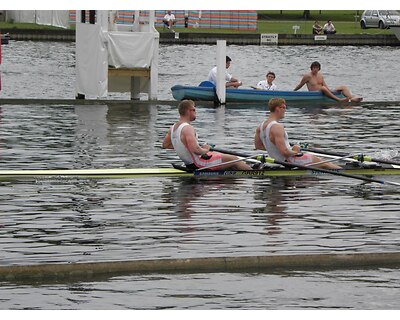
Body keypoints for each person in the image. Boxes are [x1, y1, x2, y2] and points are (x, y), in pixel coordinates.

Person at [163, 99, 252, 171]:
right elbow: (196, 150)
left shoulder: (173, 128)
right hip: (199, 164)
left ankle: (240, 169)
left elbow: (165, 145)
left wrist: (187, 147)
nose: (195, 112)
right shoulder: (188, 128)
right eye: (194, 110)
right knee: (234, 159)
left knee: (222, 157)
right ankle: (256, 173)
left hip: (189, 163)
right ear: (190, 111)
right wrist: (205, 149)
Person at [254, 98, 341, 170]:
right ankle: (344, 172)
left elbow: (258, 146)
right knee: (323, 162)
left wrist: (278, 149)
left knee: (319, 163)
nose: (285, 110)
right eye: (284, 107)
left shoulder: (260, 127)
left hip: (278, 161)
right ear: (277, 108)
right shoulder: (277, 127)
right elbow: (284, 152)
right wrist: (295, 151)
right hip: (289, 161)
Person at [294, 61, 363, 102]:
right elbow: (300, 84)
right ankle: (339, 100)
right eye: (314, 68)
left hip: (324, 91)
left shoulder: (320, 75)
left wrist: (330, 90)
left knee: (343, 87)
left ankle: (351, 98)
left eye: (317, 68)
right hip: (315, 93)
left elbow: (324, 84)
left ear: (319, 69)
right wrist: (293, 92)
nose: (315, 69)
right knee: (323, 88)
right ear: (311, 68)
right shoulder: (307, 76)